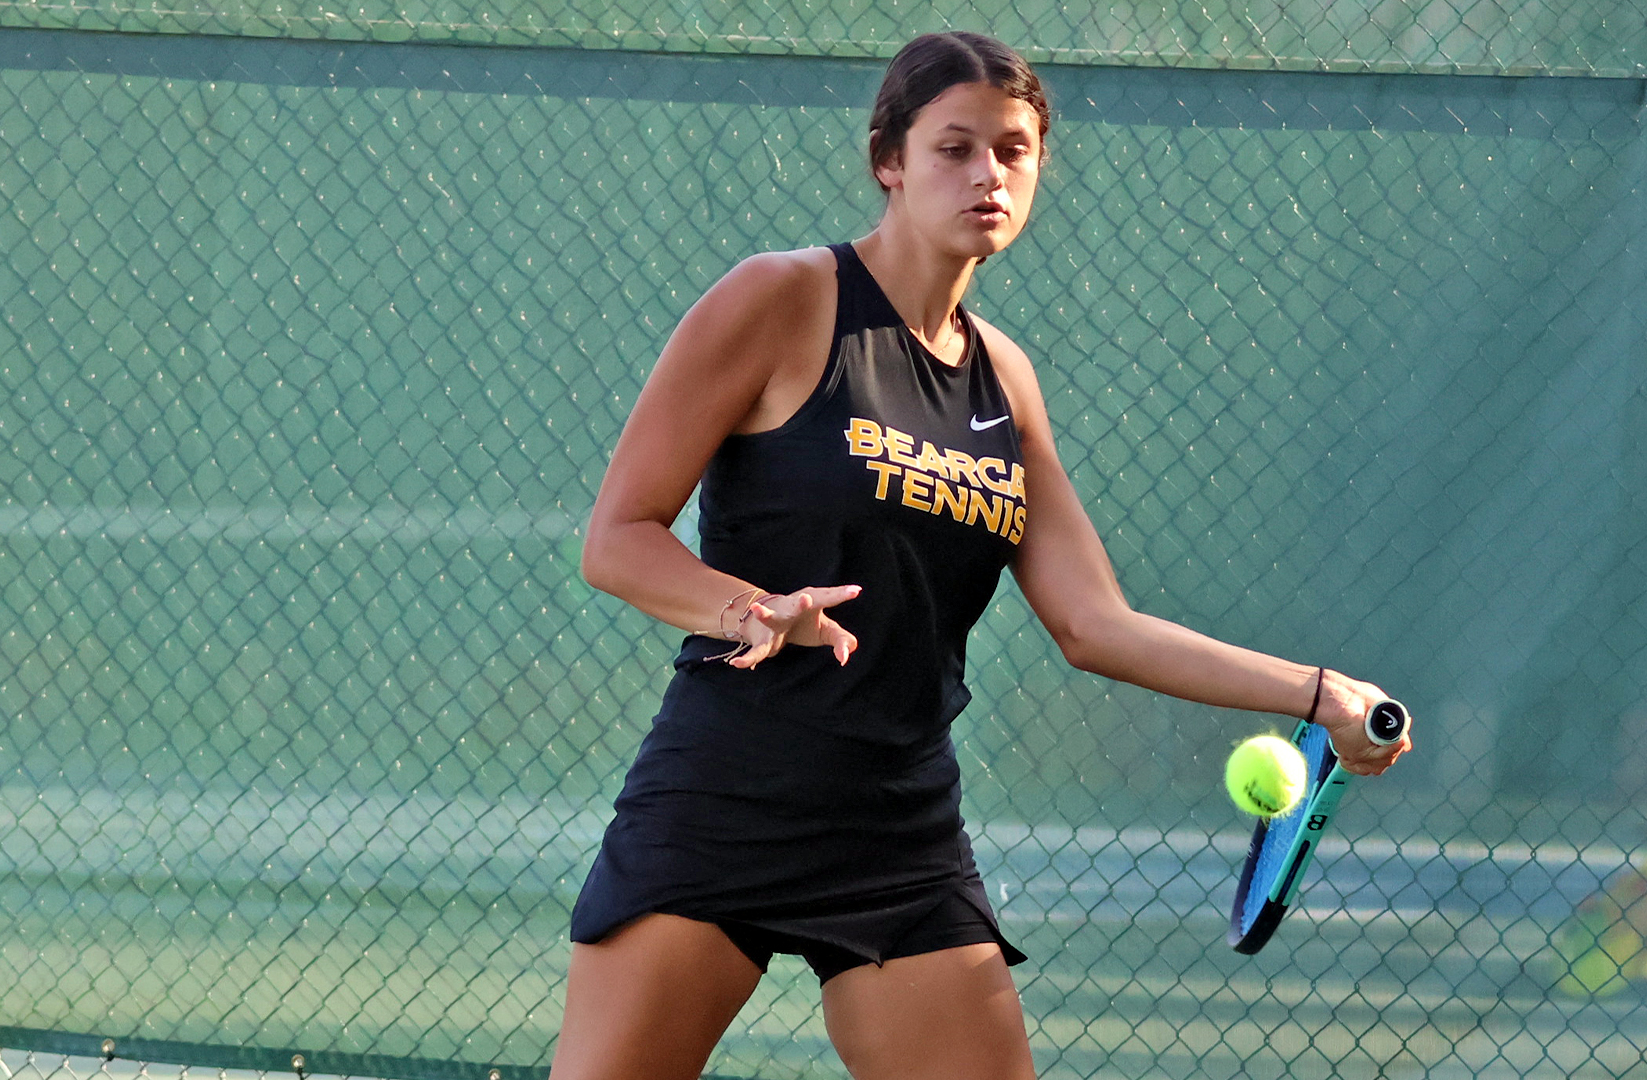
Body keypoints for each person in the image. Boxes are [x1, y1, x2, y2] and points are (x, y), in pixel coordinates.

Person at [551, 31, 1412, 1080]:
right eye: (954, 148)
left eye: (1013, 151)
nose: (987, 175)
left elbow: (1096, 624)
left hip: (898, 830)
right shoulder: (779, 301)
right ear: (890, 161)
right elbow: (619, 539)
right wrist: (747, 609)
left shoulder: (1004, 381)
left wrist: (1318, 692)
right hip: (728, 797)